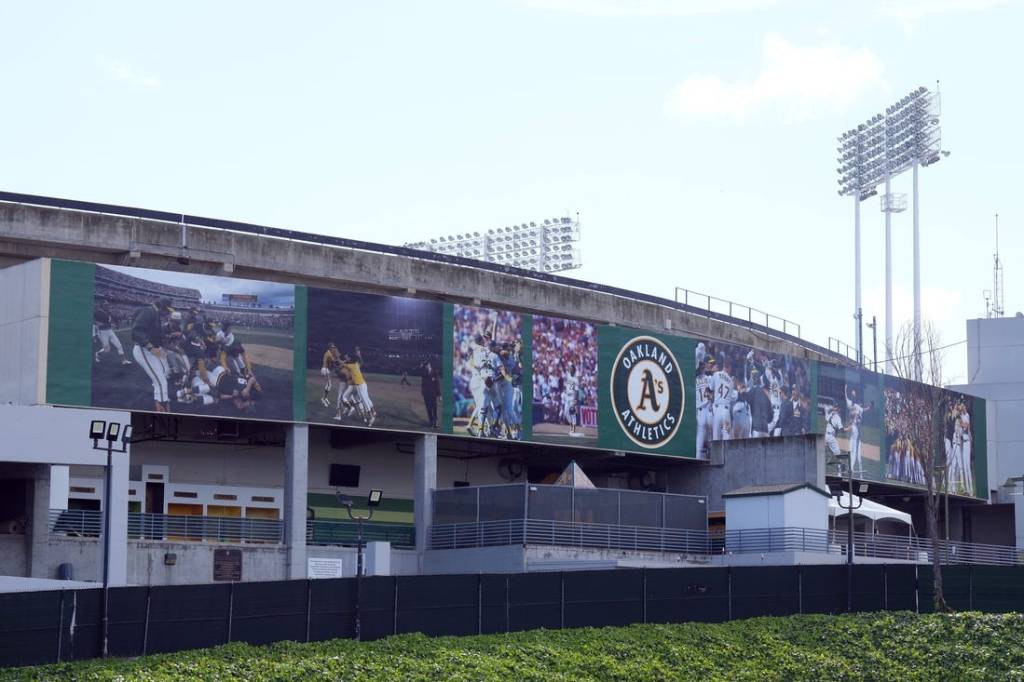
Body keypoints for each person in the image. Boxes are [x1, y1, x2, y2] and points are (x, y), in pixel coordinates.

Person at [131, 297, 173, 412]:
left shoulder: (155, 314)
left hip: (152, 349)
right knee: (161, 381)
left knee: (164, 374)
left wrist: (168, 338)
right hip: (144, 350)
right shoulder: (148, 311)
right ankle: (164, 412)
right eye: (168, 310)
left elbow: (156, 334)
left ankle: (159, 403)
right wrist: (150, 347)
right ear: (163, 307)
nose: (168, 313)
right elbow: (136, 331)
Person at [420, 361, 440, 429]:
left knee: (434, 408)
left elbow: (437, 384)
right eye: (425, 366)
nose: (426, 367)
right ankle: (431, 422)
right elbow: (423, 384)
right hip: (426, 394)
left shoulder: (435, 373)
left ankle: (436, 422)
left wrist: (439, 395)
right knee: (428, 409)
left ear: (430, 365)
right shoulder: (424, 373)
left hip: (433, 394)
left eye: (427, 365)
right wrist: (423, 392)